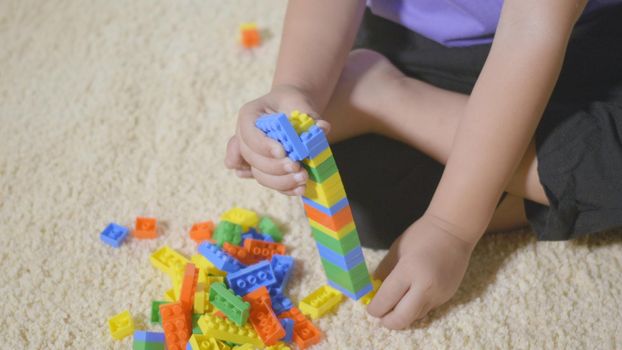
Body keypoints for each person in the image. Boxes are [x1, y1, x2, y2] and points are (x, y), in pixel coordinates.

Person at [224, 0, 622, 329]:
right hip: (423, 48)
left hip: (585, 38)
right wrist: (296, 87)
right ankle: (377, 96)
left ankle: (383, 99)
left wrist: (451, 227)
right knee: (365, 205)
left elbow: (532, 29)